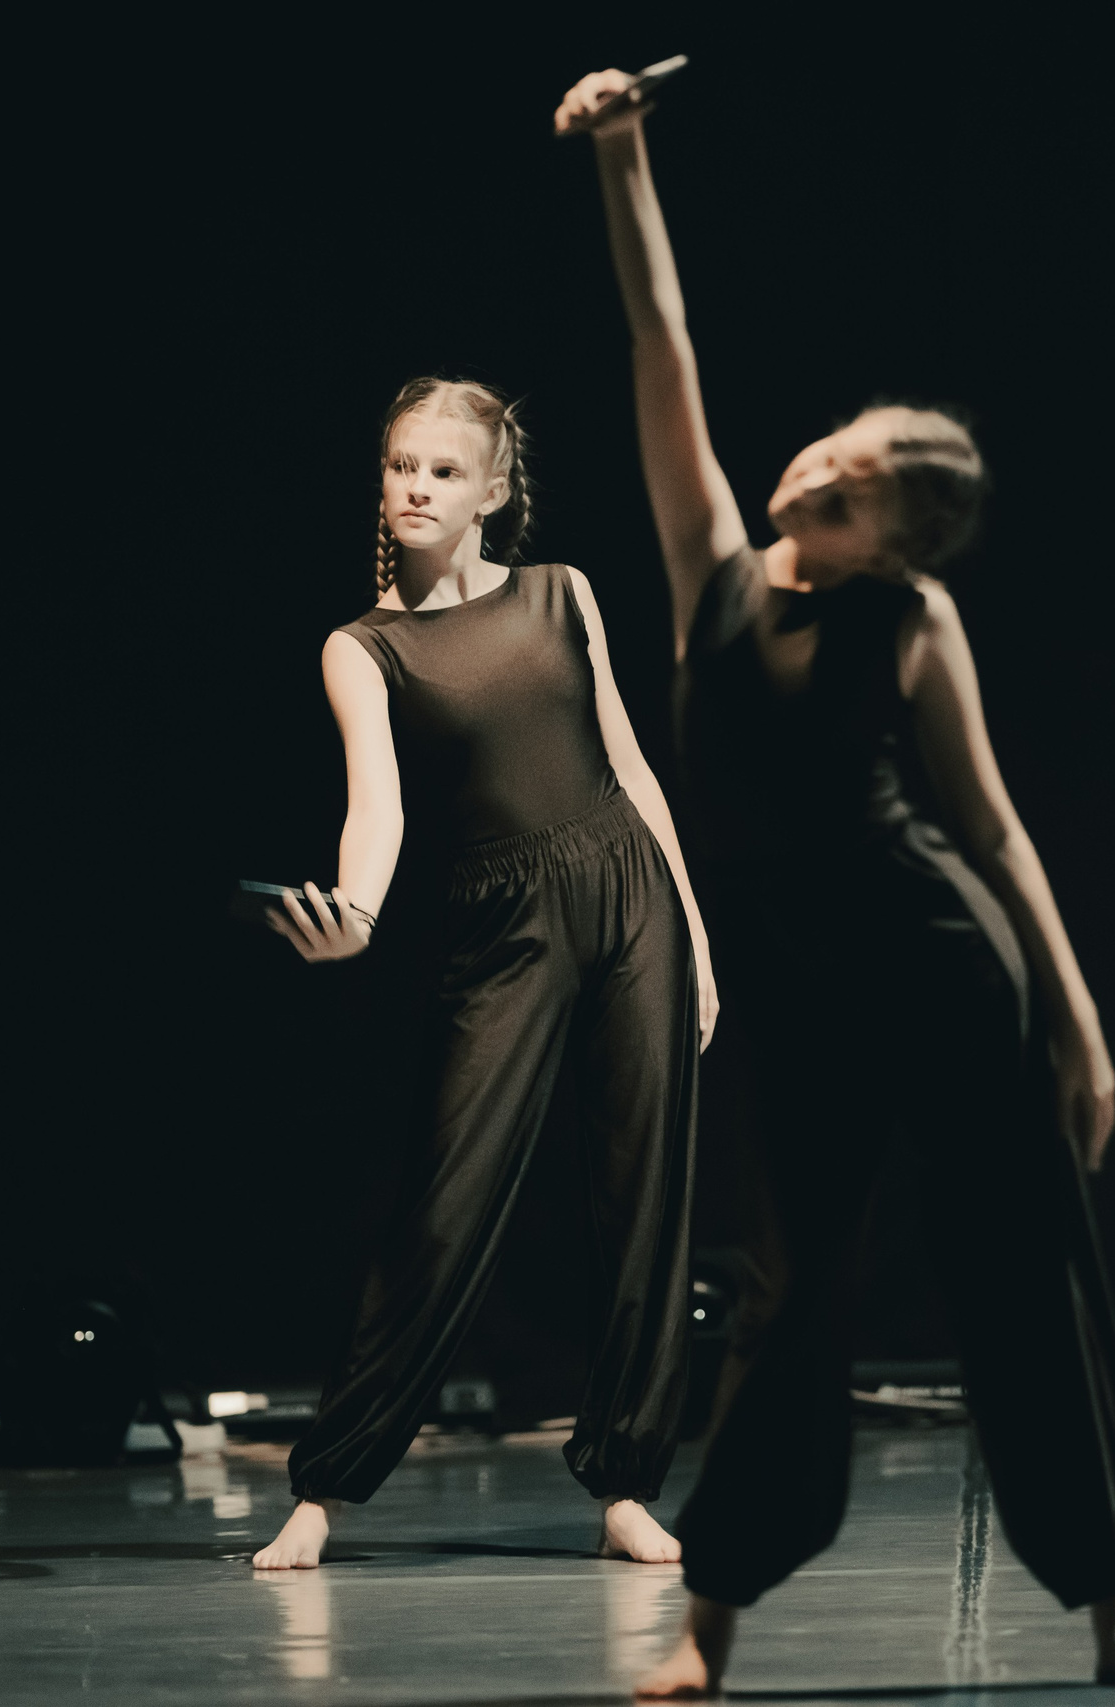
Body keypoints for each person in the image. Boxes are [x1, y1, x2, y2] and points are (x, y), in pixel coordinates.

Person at [557, 69, 1115, 1696]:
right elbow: (664, 346)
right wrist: (625, 155)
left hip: (944, 968)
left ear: (884, 546)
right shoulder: (711, 566)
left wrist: (1081, 1027)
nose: (808, 479)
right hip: (809, 1001)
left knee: (1029, 1288)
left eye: (844, 495)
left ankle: (1114, 1607)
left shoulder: (909, 622)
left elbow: (989, 835)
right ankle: (711, 1623)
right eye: (826, 454)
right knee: (789, 1300)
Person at [254, 377, 716, 1571]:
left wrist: (697, 938)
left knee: (645, 1198)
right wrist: (353, 916)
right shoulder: (366, 647)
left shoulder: (563, 595)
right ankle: (327, 1490)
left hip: (631, 898)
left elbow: (628, 765)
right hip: (501, 924)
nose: (415, 486)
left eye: (443, 471)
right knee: (442, 1205)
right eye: (402, 465)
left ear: (492, 492)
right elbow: (379, 811)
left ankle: (624, 1485)